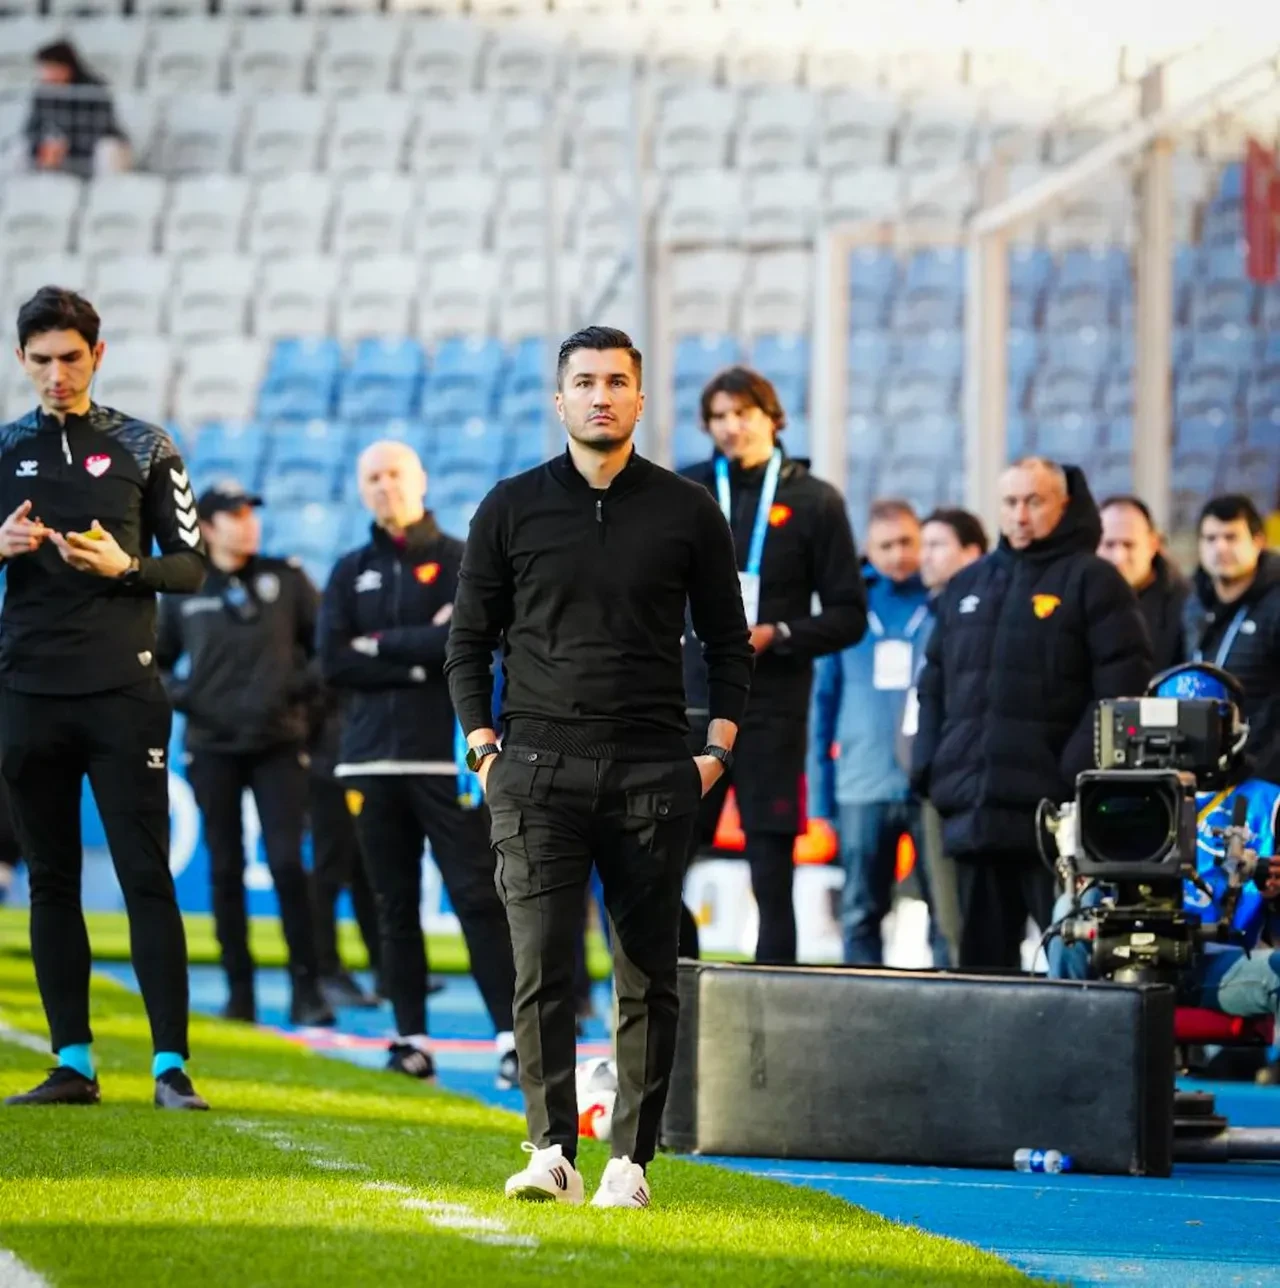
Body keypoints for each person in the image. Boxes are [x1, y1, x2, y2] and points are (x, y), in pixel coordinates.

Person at [445, 326, 752, 1210]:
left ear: (641, 399)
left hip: (655, 771)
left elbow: (729, 644)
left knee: (646, 974)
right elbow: (467, 643)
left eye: (618, 381)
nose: (601, 395)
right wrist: (484, 749)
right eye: (585, 382)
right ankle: (550, 1151)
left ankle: (631, 1163)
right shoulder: (509, 507)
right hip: (534, 771)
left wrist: (715, 751)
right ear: (560, 400)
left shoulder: (689, 509)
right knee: (540, 966)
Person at [0, 287, 208, 1110]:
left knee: (143, 876)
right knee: (49, 881)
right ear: (22, 360)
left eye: (71, 358)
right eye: (41, 360)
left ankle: (170, 1067)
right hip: (26, 693)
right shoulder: (3, 447)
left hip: (124, 693)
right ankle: (74, 1063)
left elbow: (189, 565)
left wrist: (125, 567)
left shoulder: (145, 445)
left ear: (98, 354)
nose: (56, 374)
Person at [319, 440, 517, 1087]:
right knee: (391, 906)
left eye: (395, 474)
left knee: (476, 899)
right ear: (360, 488)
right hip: (371, 765)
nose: (384, 487)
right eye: (372, 477)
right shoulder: (349, 570)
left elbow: (470, 642)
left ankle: (512, 1040)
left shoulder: (462, 561)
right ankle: (409, 1040)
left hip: (448, 759)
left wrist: (379, 645)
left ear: (421, 479)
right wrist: (419, 650)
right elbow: (333, 662)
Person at [911, 457, 1152, 971]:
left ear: (1063, 507)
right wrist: (931, 766)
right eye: (1010, 502)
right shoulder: (967, 586)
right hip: (975, 816)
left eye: (1034, 501)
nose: (1021, 514)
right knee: (979, 976)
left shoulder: (1096, 583)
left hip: (1056, 826)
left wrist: (1068, 779)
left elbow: (1120, 692)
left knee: (1071, 970)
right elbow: (931, 686)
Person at [680, 366, 865, 963]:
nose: (731, 427)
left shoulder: (815, 500)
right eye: (718, 417)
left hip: (770, 709)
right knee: (659, 860)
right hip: (687, 705)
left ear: (773, 417)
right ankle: (668, 992)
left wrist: (779, 633)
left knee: (771, 869)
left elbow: (848, 615)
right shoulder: (684, 494)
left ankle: (770, 1009)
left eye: (743, 414)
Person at [156, 482, 334, 1029]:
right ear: (207, 527)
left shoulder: (287, 577)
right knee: (226, 869)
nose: (248, 522)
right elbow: (158, 664)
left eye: (251, 512)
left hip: (280, 744)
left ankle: (308, 986)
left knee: (285, 862)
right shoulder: (185, 588)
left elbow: (328, 648)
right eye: (234, 515)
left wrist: (294, 696)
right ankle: (240, 990)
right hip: (211, 749)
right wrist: (193, 700)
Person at [1048, 664, 1280, 1059]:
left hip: (1210, 960)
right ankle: (1068, 1063)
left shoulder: (1268, 804)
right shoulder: (1114, 790)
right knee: (1067, 912)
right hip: (1116, 951)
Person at [810, 500, 947, 966]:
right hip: (860, 785)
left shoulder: (940, 601)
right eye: (886, 545)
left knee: (944, 911)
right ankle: (861, 1016)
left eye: (908, 542)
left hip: (928, 784)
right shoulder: (847, 608)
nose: (898, 555)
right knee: (861, 910)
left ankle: (950, 1011)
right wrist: (820, 799)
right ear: (869, 548)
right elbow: (821, 706)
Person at [900, 506, 989, 966]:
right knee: (937, 909)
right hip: (929, 777)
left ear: (973, 552)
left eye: (937, 545)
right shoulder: (932, 611)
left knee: (962, 920)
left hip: (963, 782)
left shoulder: (979, 615)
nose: (923, 556)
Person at [1184, 495, 1280, 783]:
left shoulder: (1275, 604)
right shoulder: (1193, 604)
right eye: (1210, 538)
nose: (1220, 548)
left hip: (1264, 777)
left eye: (1231, 537)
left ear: (1258, 541)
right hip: (1205, 773)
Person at [305, 686, 381, 1010]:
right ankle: (325, 969)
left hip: (360, 757)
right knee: (330, 868)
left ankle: (385, 968)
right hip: (329, 765)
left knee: (367, 867)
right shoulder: (324, 649)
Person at [1097, 494, 1189, 672]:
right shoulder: (1077, 601)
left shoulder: (1185, 604)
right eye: (1109, 545)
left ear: (1153, 544)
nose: (1119, 557)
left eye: (1129, 545)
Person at [25, 40, 129, 178]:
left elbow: (99, 129)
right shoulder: (43, 93)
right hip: (55, 153)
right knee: (19, 148)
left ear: (66, 67)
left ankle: (108, 195)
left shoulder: (93, 90)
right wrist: (42, 145)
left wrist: (66, 147)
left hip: (91, 150)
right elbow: (31, 129)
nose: (45, 73)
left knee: (107, 148)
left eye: (50, 67)